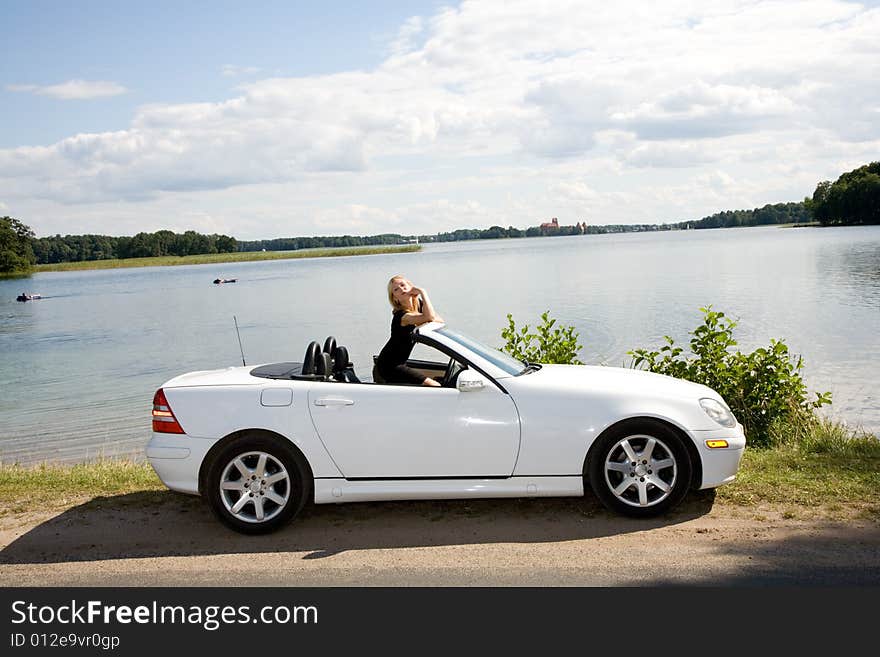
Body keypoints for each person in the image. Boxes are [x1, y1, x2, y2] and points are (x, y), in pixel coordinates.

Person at [374, 275, 444, 386]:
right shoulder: (402, 316)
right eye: (396, 289)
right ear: (395, 298)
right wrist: (422, 291)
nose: (401, 289)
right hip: (389, 366)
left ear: (410, 286)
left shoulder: (419, 305)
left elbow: (440, 321)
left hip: (400, 363)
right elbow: (430, 317)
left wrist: (424, 314)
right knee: (435, 386)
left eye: (403, 285)